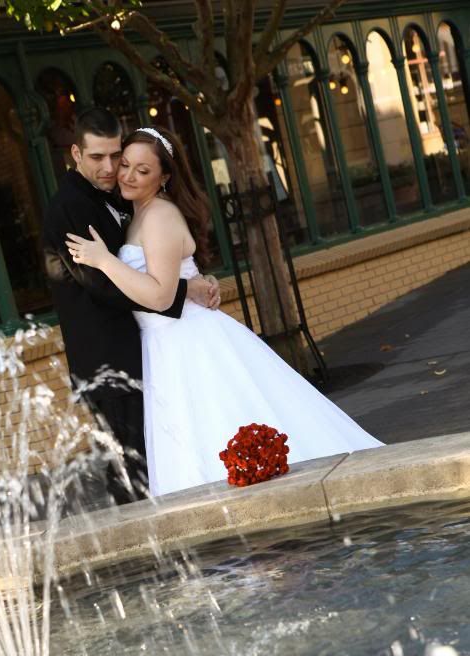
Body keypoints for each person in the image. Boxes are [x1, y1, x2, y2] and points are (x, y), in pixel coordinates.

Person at [65, 126, 383, 498]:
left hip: (186, 341)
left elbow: (159, 297)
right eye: (126, 165)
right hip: (163, 346)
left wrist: (103, 261)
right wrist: (196, 281)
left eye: (143, 170)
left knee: (217, 425)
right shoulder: (138, 213)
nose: (128, 176)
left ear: (165, 177)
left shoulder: (158, 217)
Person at [42, 108, 219, 504]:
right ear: (75, 153)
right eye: (97, 158)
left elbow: (157, 253)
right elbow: (102, 285)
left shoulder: (122, 199)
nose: (110, 169)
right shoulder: (69, 206)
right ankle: (146, 552)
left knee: (158, 458)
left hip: (145, 349)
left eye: (114, 157)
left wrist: (187, 279)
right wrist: (183, 290)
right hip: (107, 358)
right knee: (131, 469)